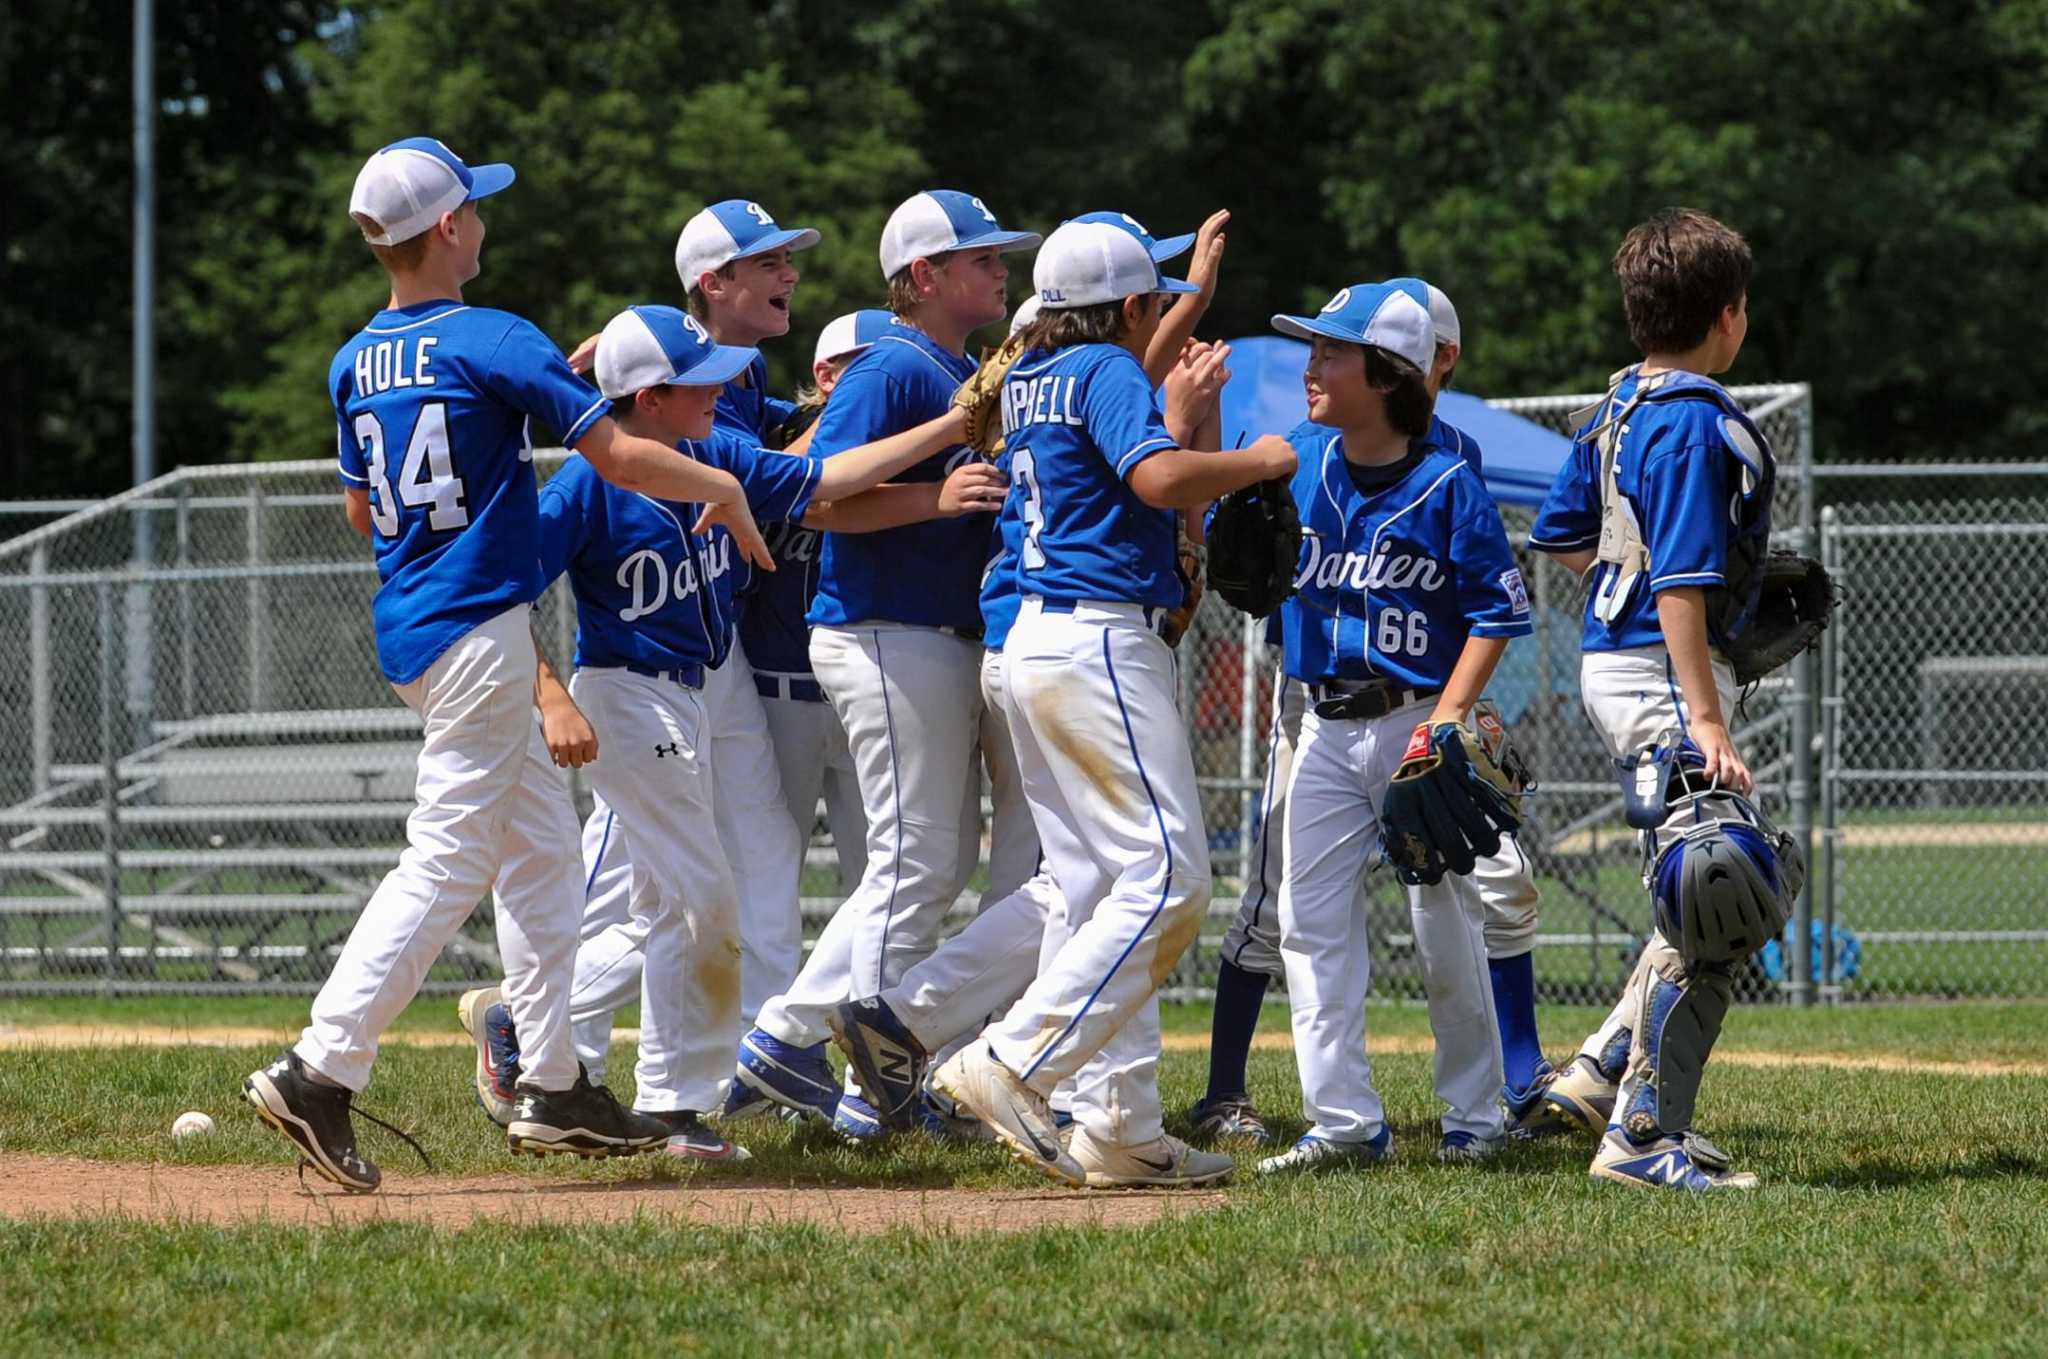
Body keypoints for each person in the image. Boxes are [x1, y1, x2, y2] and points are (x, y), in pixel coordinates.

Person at [242, 137, 771, 1191]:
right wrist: (718, 489)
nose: (481, 221)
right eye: (473, 208)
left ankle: (557, 1085)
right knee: (446, 859)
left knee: (543, 862)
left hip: (417, 625)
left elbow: (362, 507)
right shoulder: (490, 334)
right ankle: (321, 1068)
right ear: (447, 230)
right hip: (481, 630)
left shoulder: (354, 359)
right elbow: (615, 453)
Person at [928, 218, 1295, 1187]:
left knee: (1099, 891)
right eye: (1152, 301)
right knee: (1170, 879)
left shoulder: (1029, 373)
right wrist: (1260, 461)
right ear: (1130, 307)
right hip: (1095, 638)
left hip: (1037, 638)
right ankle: (1013, 1060)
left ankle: (1119, 1127)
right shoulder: (1103, 370)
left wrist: (1189, 305)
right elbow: (1158, 474)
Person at [1193, 278, 1556, 1144]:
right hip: (1317, 720)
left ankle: (1473, 1112)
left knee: (1446, 926)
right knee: (1311, 926)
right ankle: (1345, 1120)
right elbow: (1212, 518)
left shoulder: (1446, 483)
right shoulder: (1297, 459)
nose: (1312, 365)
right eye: (1314, 348)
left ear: (1388, 374)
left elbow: (1498, 612)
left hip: (1412, 718)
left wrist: (1448, 718)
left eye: (1332, 351)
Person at [732, 190, 1042, 1121]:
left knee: (929, 864)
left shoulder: (947, 363)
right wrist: (931, 502)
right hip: (881, 627)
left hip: (924, 631)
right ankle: (817, 1055)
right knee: (913, 860)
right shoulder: (894, 367)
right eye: (979, 258)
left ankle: (818, 1050)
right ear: (922, 276)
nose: (999, 269)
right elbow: (812, 498)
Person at [1522, 209, 1785, 1190]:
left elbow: (1560, 536)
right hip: (1655, 672)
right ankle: (1640, 1136)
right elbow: (1676, 582)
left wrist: (1624, 577)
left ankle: (1596, 1068)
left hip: (1618, 659)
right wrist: (1705, 718)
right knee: (1717, 886)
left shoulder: (1618, 407)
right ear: (1725, 317)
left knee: (1751, 869)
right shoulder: (1689, 423)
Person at [750, 310, 898, 898]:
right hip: (781, 690)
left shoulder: (900, 453)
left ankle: (864, 993)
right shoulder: (782, 435)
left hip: (867, 685)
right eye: (867, 367)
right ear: (827, 375)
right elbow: (775, 478)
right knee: (770, 875)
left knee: (882, 875)